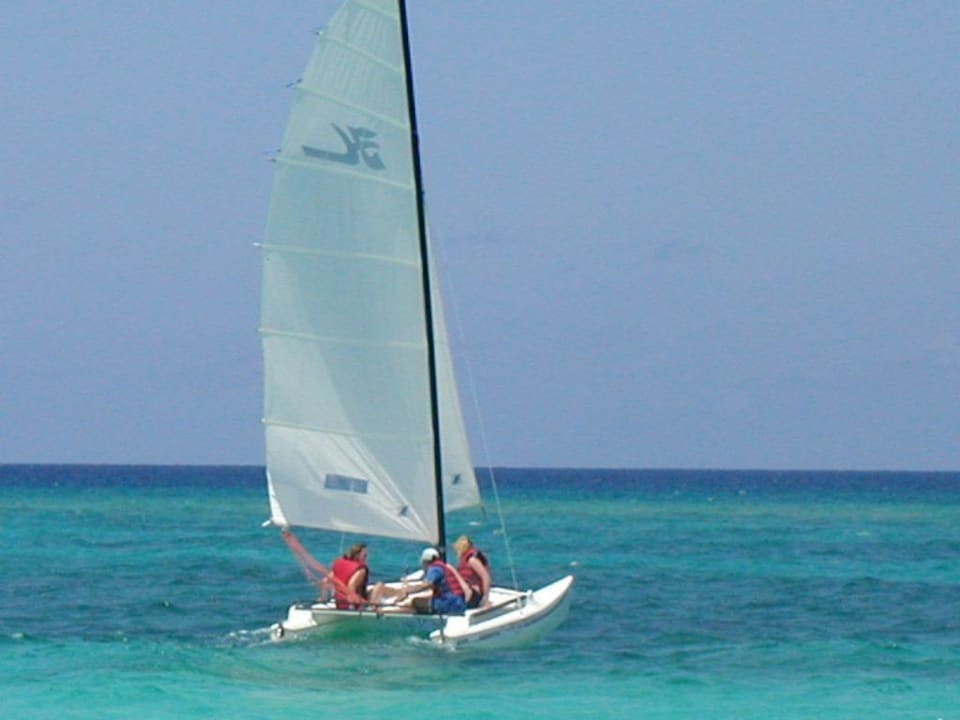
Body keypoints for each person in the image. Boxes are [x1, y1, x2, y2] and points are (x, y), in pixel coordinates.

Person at [399, 547, 468, 614]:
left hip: (448, 604)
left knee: (415, 602)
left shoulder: (435, 568)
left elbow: (427, 584)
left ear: (425, 562)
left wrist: (408, 591)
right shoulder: (443, 566)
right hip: (458, 603)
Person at [453, 535, 492, 608]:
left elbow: (485, 576)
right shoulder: (464, 560)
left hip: (474, 595)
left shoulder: (472, 561)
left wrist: (485, 598)